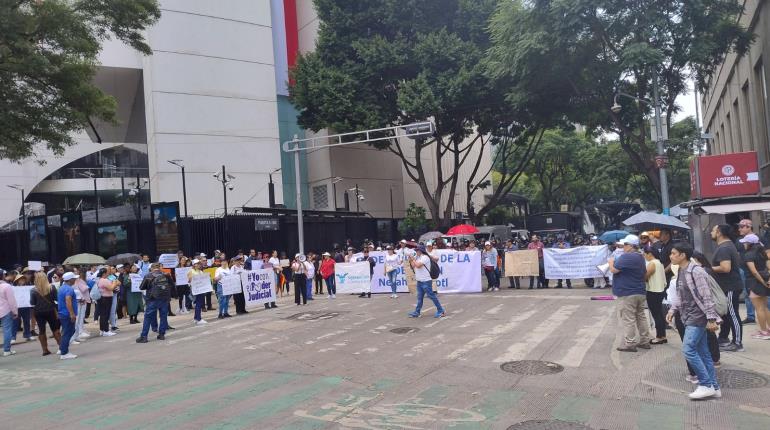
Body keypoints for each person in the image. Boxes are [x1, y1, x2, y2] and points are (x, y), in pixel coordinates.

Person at [666, 242, 722, 400]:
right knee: (703, 353)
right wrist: (672, 310)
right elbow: (680, 296)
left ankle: (705, 384)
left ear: (683, 255)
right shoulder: (681, 271)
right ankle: (714, 387)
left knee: (688, 350)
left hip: (697, 317)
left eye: (673, 253)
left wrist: (711, 318)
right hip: (688, 316)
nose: (671, 256)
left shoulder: (696, 271)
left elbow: (707, 296)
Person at [609, 235, 651, 352]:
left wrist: (611, 262)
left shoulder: (627, 257)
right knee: (640, 316)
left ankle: (630, 343)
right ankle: (644, 340)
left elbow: (614, 270)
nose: (623, 247)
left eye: (625, 245)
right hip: (639, 290)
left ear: (631, 246)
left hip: (627, 292)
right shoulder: (640, 256)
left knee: (628, 318)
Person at [710, 224, 744, 352]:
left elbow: (725, 268)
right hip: (726, 286)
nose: (711, 233)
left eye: (713, 230)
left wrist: (709, 269)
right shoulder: (725, 246)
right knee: (726, 313)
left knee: (732, 313)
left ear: (718, 232)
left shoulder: (724, 248)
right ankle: (723, 338)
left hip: (730, 286)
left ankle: (737, 342)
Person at [739, 234, 770, 339]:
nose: (743, 244)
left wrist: (762, 282)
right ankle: (768, 329)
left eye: (745, 242)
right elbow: (768, 267)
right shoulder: (762, 253)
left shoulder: (749, 255)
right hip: (765, 280)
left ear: (749, 243)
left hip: (754, 283)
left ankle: (764, 332)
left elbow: (754, 272)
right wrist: (767, 280)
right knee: (765, 307)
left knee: (759, 308)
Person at [136, 263, 172, 343]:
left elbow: (141, 287)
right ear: (159, 268)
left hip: (153, 299)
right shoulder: (166, 274)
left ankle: (144, 336)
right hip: (164, 299)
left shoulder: (148, 276)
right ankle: (161, 334)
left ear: (152, 268)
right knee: (163, 316)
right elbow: (171, 285)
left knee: (148, 317)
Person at [408, 246, 445, 318]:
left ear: (421, 251)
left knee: (432, 296)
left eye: (417, 250)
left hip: (426, 281)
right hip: (419, 281)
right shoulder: (418, 258)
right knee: (419, 298)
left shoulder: (425, 257)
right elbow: (413, 266)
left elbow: (418, 265)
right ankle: (417, 312)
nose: (416, 252)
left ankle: (441, 310)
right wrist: (411, 260)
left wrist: (413, 259)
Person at [30, 272, 61, 356]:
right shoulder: (52, 288)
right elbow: (56, 299)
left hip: (39, 312)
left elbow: (32, 302)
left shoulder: (33, 290)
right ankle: (61, 347)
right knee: (55, 329)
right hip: (51, 310)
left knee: (41, 330)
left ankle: (45, 350)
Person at [736, 219, 759, 325]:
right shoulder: (739, 240)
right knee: (747, 293)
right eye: (739, 226)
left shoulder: (759, 238)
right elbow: (737, 253)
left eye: (742, 227)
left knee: (764, 294)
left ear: (749, 227)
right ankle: (751, 316)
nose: (739, 229)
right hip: (743, 270)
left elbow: (767, 253)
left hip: (757, 269)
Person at [643, 246, 667, 344]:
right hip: (660, 290)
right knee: (659, 314)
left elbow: (645, 276)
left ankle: (659, 336)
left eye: (645, 254)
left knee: (656, 315)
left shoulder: (652, 263)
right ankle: (662, 335)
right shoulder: (659, 262)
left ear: (650, 254)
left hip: (653, 291)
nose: (644, 256)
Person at [57, 272, 80, 360]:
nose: (75, 280)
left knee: (68, 332)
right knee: (67, 333)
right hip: (67, 314)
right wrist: (72, 314)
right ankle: (64, 352)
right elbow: (68, 300)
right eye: (74, 278)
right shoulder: (69, 289)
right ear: (70, 280)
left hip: (63, 313)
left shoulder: (62, 288)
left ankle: (62, 349)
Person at [0, 270, 19, 357]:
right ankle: (7, 350)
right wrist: (15, 312)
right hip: (5, 311)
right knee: (7, 330)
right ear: (3, 276)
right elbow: (11, 301)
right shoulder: (7, 286)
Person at [95, 269, 117, 337]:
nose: (108, 274)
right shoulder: (104, 280)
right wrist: (114, 283)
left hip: (101, 298)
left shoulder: (99, 280)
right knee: (105, 315)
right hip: (106, 298)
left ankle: (102, 330)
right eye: (107, 273)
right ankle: (106, 330)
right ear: (104, 273)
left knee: (102, 315)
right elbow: (111, 288)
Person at [188, 259, 208, 325]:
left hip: (201, 290)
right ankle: (199, 319)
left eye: (199, 263)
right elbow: (189, 280)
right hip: (196, 290)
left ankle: (196, 318)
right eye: (197, 264)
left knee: (198, 304)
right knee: (199, 304)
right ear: (194, 265)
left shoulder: (200, 271)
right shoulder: (191, 271)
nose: (198, 265)